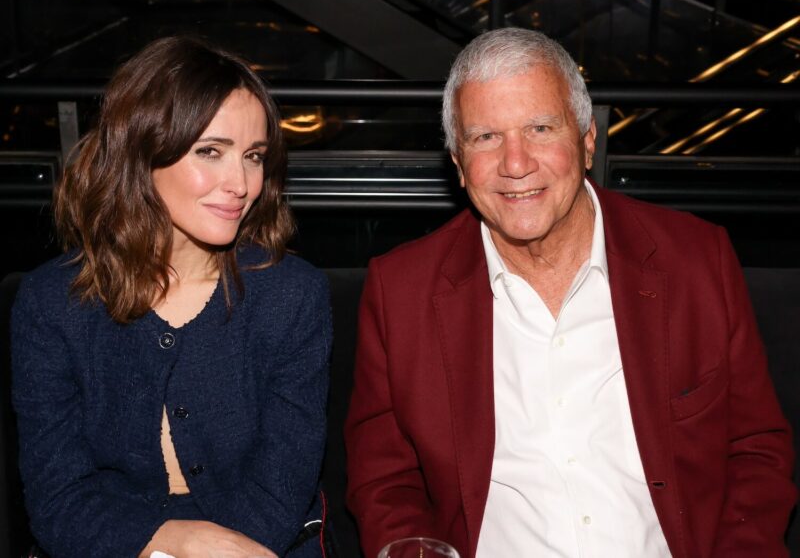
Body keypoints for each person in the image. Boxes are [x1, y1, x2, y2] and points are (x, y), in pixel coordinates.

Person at [344, 27, 795, 558]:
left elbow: (756, 450)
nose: (515, 163)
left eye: (539, 128)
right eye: (485, 137)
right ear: (458, 163)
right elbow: (384, 480)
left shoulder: (694, 260)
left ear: (586, 140)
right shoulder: (403, 291)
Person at [11, 36, 332, 558]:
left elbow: (281, 489)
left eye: (254, 157)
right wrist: (177, 539)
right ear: (143, 151)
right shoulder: (54, 303)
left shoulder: (292, 294)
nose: (242, 183)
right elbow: (58, 499)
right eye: (210, 151)